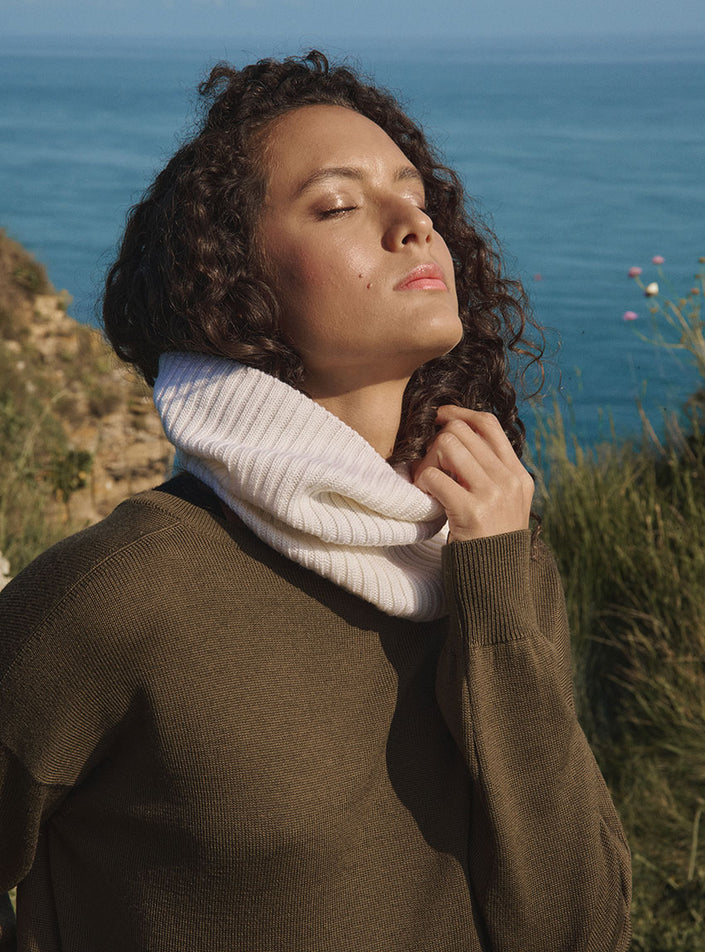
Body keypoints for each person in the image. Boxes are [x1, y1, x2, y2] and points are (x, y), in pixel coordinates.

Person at [0, 51, 631, 951]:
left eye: (417, 197)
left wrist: (492, 586)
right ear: (234, 283)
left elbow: (580, 929)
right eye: (337, 205)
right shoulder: (132, 586)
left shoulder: (497, 557)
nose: (412, 223)